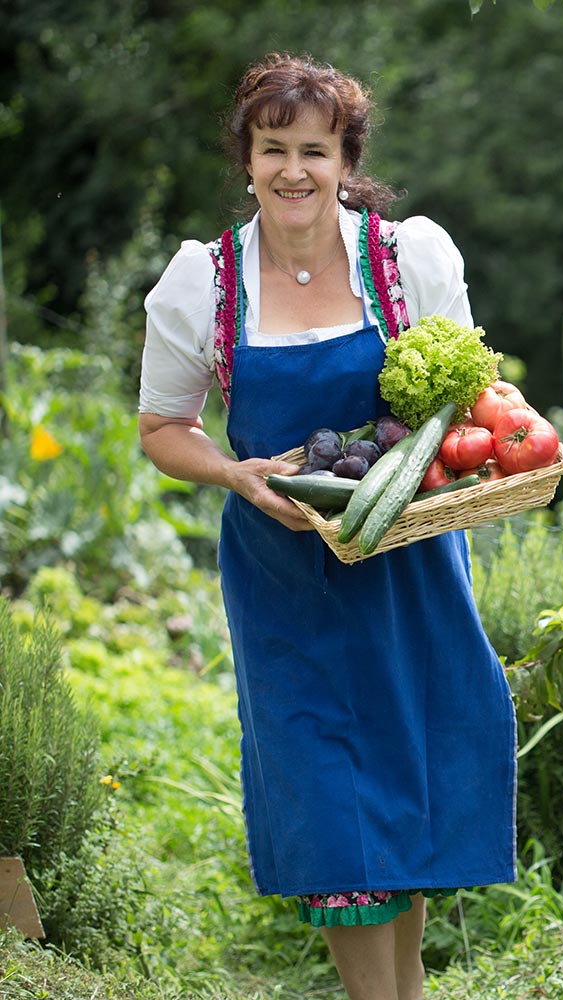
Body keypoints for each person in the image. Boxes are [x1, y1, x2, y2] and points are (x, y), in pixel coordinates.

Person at [137, 53, 516, 1000]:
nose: (294, 170)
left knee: (407, 793)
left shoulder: (407, 259)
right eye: (274, 149)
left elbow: (471, 395)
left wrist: (504, 436)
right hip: (285, 582)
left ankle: (406, 985)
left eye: (315, 149)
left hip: (409, 567)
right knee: (331, 804)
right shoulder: (206, 285)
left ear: (347, 160)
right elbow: (162, 429)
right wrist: (230, 472)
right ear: (248, 157)